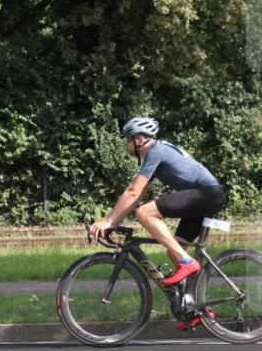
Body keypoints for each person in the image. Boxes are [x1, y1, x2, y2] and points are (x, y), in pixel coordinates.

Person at [90, 117, 227, 324]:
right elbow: (136, 194)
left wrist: (108, 222)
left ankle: (187, 262)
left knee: (144, 213)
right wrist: (113, 221)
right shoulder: (157, 152)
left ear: (140, 139)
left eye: (128, 139)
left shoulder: (155, 151)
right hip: (207, 196)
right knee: (175, 249)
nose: (126, 144)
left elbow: (133, 192)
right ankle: (195, 308)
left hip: (206, 194)